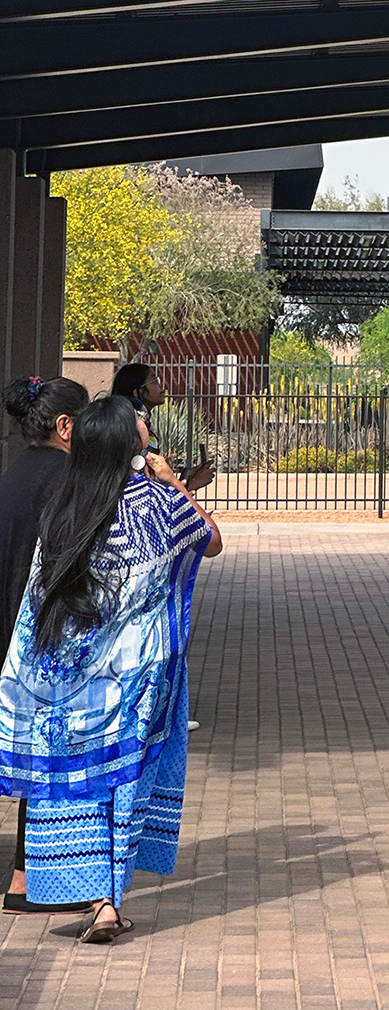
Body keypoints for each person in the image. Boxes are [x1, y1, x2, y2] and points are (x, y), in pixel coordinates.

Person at [0, 394, 222, 943]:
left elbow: (39, 595)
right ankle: (107, 903)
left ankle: (82, 889)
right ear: (127, 442)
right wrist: (173, 483)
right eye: (139, 420)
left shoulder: (63, 504)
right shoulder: (154, 502)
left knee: (84, 783)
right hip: (137, 676)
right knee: (126, 779)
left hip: (69, 677)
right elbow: (211, 542)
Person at [0, 375, 91, 916]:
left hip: (8, 634)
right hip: (42, 639)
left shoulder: (13, 477)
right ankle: (31, 881)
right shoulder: (67, 482)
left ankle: (21, 878)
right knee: (51, 761)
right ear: (64, 427)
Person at [111, 364, 216, 494]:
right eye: (155, 381)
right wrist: (186, 487)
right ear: (138, 392)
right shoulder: (130, 429)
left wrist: (184, 482)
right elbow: (143, 485)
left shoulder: (145, 425)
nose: (162, 388)